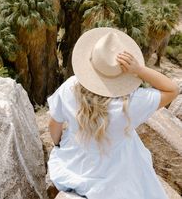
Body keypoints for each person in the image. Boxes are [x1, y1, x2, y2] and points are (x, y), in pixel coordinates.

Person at [47, 27, 179, 199]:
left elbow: (53, 124)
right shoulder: (132, 102)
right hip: (114, 178)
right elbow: (172, 90)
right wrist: (139, 70)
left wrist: (58, 145)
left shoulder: (70, 86)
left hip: (73, 165)